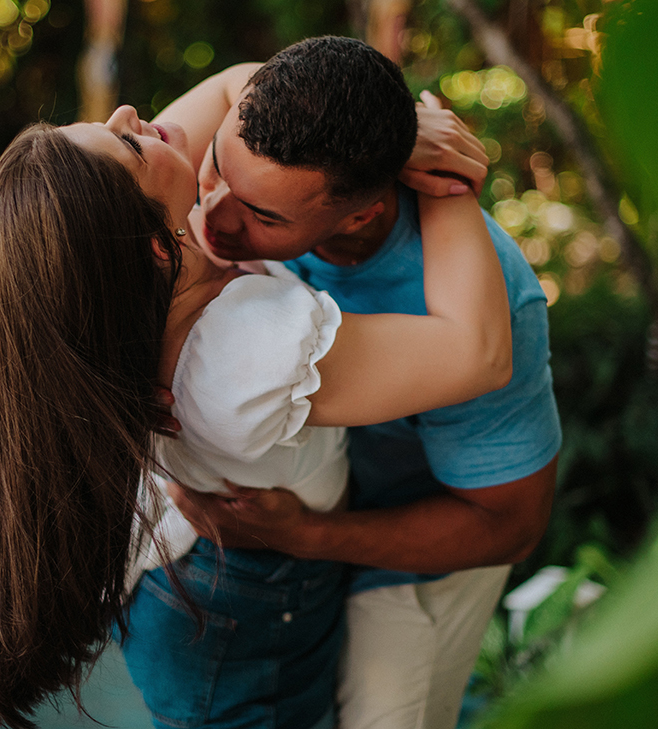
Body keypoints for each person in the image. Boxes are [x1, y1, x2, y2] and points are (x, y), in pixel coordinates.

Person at [0, 76, 512, 728]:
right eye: (126, 144)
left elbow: (235, 92)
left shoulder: (134, 275)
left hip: (198, 580)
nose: (130, 113)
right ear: (159, 247)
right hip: (242, 620)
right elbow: (479, 352)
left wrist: (385, 136)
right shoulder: (238, 356)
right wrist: (436, 167)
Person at [160, 36, 562, 729]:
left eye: (263, 216)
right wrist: (407, 127)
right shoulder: (261, 153)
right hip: (298, 542)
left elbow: (511, 524)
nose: (214, 219)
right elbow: (232, 82)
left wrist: (312, 536)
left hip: (413, 551)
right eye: (216, 166)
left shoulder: (493, 303)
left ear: (361, 212)